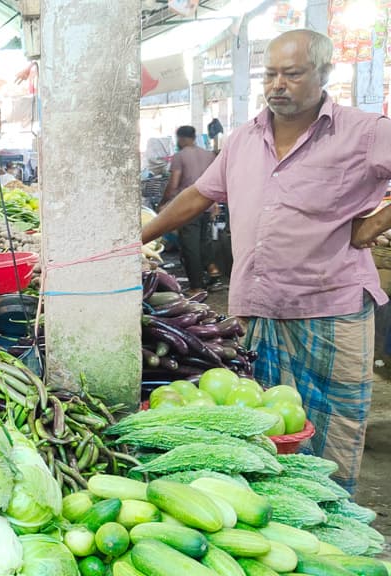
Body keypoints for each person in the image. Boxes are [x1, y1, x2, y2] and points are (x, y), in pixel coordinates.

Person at [142, 29, 391, 493]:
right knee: (259, 429)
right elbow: (198, 195)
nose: (278, 84)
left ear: (324, 74)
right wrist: (135, 237)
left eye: (292, 74)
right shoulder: (242, 139)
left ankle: (331, 522)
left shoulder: (365, 132)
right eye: (271, 73)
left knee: (332, 428)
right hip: (257, 306)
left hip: (330, 307)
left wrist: (375, 224)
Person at [161, 125, 217, 292]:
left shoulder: (180, 156)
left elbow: (173, 183)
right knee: (202, 243)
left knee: (190, 246)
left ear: (181, 138)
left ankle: (196, 287)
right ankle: (212, 273)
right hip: (207, 204)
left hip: (188, 207)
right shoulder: (210, 155)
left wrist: (163, 202)